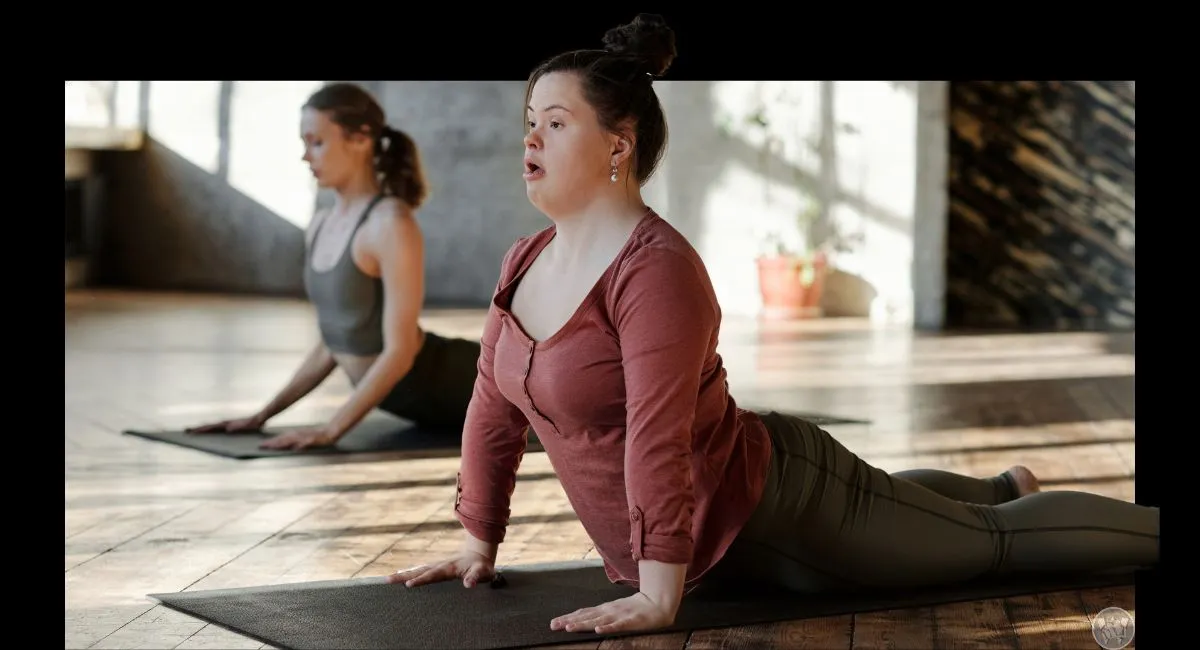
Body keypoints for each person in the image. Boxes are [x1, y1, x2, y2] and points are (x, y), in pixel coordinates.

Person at [388, 14, 1159, 637]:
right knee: (924, 509)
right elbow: (492, 409)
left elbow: (657, 435)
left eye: (554, 123)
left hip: (782, 509)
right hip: (708, 545)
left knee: (997, 547)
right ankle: (998, 484)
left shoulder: (654, 270)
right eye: (530, 121)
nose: (529, 138)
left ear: (617, 145)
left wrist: (659, 595)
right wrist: (476, 543)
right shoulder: (524, 259)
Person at [186, 82, 482, 450]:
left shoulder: (390, 223)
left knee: (570, 401)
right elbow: (333, 342)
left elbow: (400, 351)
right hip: (423, 401)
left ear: (360, 139)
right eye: (304, 143)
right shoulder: (322, 224)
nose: (306, 156)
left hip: (464, 381)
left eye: (317, 142)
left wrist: (331, 429)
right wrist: (262, 416)